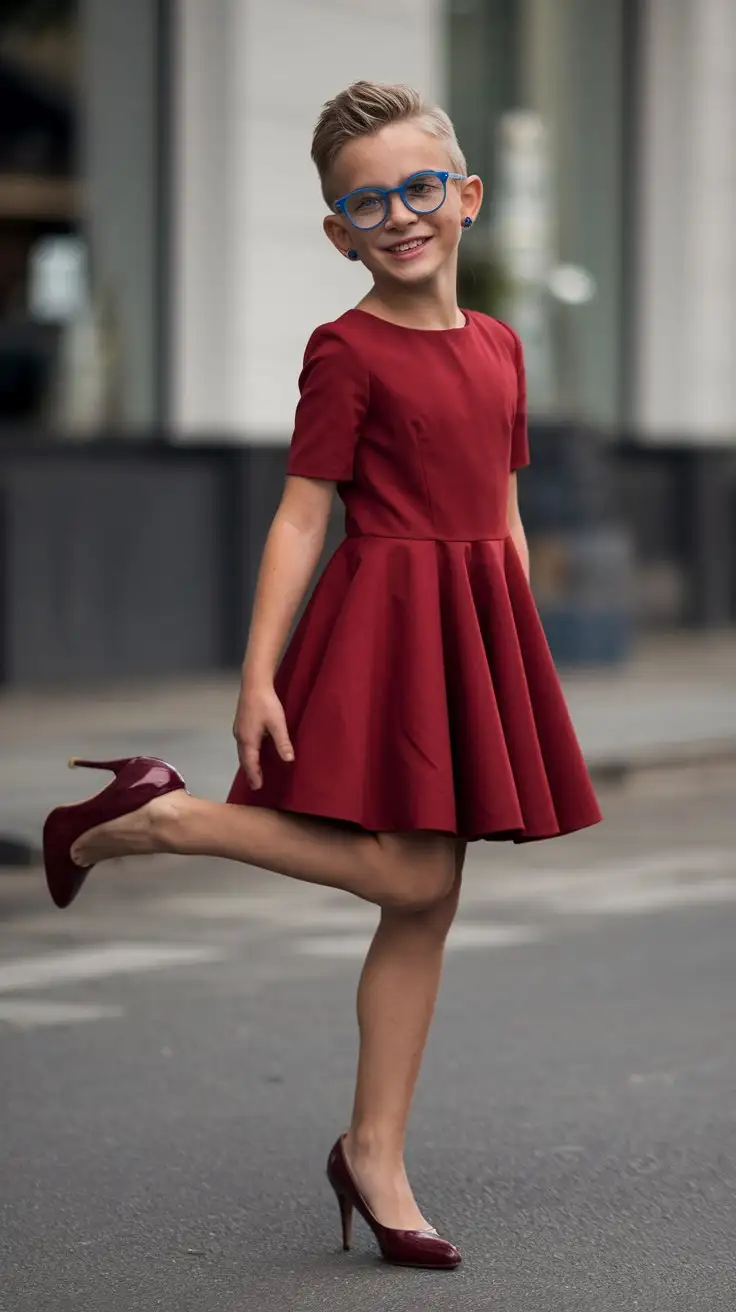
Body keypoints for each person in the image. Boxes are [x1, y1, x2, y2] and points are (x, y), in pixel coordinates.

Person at [43, 80, 602, 1271]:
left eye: (418, 188)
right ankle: (167, 817)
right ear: (338, 230)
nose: (398, 215)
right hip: (386, 623)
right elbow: (302, 515)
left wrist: (518, 656)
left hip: (472, 632)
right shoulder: (345, 350)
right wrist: (258, 674)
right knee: (414, 873)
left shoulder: (500, 346)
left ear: (466, 196)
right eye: (366, 203)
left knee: (426, 899)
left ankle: (373, 1153)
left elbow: (501, 508)